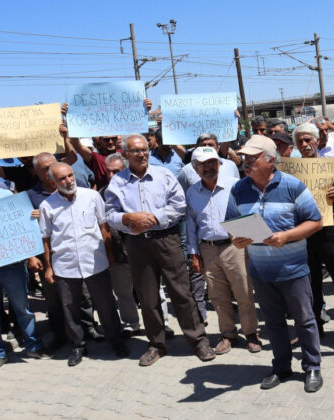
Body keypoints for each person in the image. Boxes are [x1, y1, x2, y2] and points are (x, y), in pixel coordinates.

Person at [105, 133, 215, 366]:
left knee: (181, 291)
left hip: (167, 239)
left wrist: (154, 218)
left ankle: (198, 340)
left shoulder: (164, 175)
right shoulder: (117, 182)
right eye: (136, 150)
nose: (142, 154)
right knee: (147, 296)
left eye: (144, 149)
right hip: (136, 244)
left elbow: (179, 205)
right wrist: (127, 217)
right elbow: (110, 214)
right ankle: (156, 343)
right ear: (126, 154)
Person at [226, 135, 324, 393]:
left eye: (252, 158)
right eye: (244, 158)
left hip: (294, 271)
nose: (246, 162)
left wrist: (286, 236)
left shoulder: (293, 186)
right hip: (260, 271)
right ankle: (281, 367)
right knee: (273, 322)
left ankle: (312, 366)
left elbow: (315, 222)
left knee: (304, 320)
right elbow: (232, 226)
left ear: (270, 160)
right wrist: (236, 239)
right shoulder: (239, 189)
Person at [39, 163, 129, 366]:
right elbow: (45, 238)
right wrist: (49, 267)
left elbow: (104, 227)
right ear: (53, 182)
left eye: (70, 175)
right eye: (62, 178)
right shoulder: (47, 206)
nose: (68, 180)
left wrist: (109, 255)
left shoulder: (92, 196)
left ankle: (115, 340)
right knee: (70, 309)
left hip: (95, 261)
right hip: (65, 265)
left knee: (106, 305)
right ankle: (78, 345)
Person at [0, 158, 49, 374]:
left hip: (12, 265)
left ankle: (33, 345)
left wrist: (31, 217)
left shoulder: (8, 197)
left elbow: (24, 226)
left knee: (22, 308)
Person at [185, 146, 262, 354]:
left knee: (244, 292)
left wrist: (252, 241)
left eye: (212, 162)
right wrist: (193, 253)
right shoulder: (192, 192)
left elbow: (249, 212)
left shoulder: (235, 185)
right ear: (195, 168)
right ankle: (228, 334)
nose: (209, 167)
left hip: (234, 247)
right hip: (207, 249)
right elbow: (191, 224)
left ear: (219, 164)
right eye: (203, 164)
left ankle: (251, 334)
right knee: (218, 297)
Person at [293, 124, 334, 344]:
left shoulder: (332, 165)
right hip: (303, 231)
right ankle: (316, 328)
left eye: (308, 140)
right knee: (310, 283)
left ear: (316, 141)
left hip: (331, 227)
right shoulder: (290, 171)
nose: (304, 145)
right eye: (300, 141)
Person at [100, 153, 140, 336]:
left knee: (152, 290)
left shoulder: (138, 188)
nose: (111, 176)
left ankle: (162, 322)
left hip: (141, 249)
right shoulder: (101, 194)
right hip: (116, 252)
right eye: (108, 172)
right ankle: (131, 323)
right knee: (123, 293)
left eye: (115, 172)